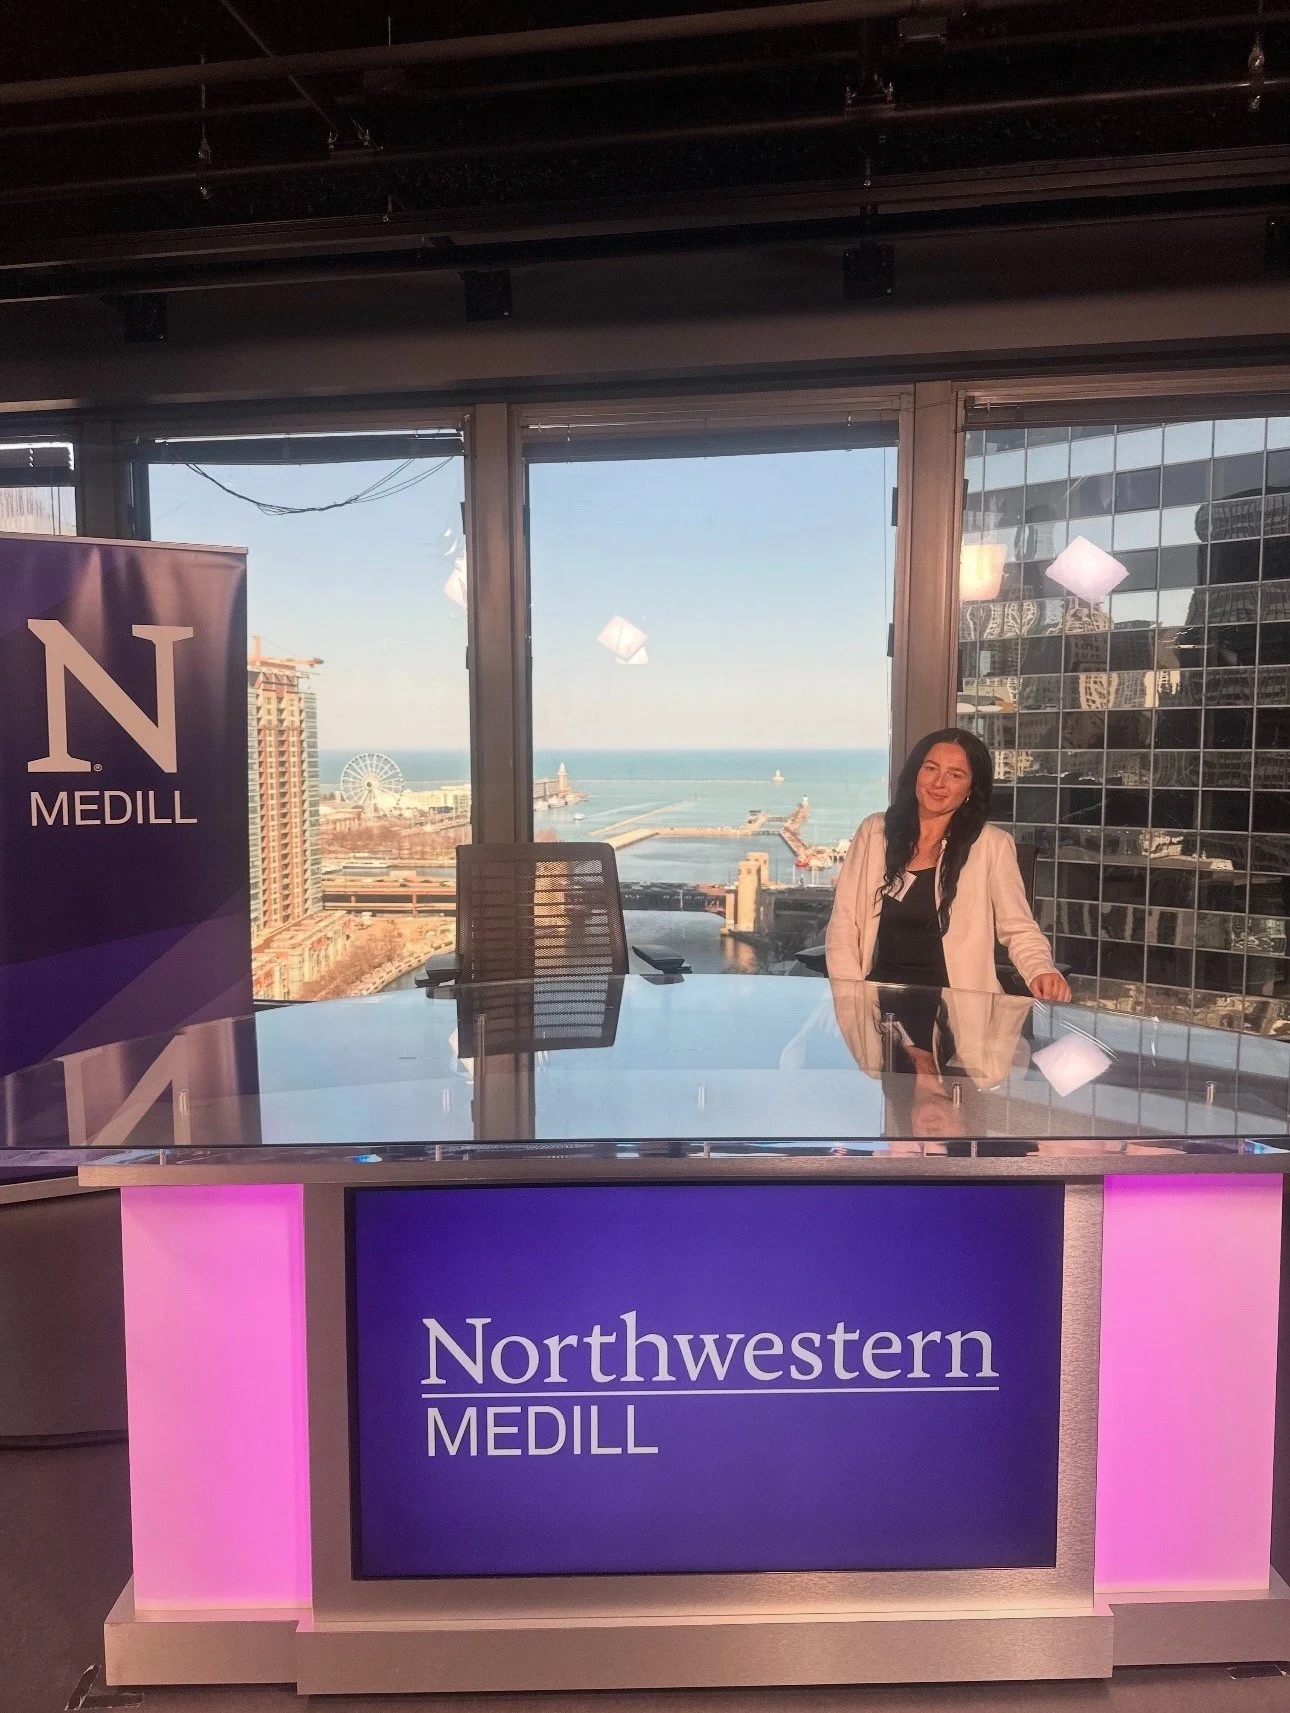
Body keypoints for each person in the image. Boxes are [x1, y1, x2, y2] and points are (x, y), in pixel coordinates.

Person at [825, 727, 1071, 1001]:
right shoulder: (874, 832)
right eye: (931, 768)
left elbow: (1019, 928)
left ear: (970, 789)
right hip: (878, 1001)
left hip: (961, 1007)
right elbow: (844, 924)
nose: (938, 783)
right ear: (916, 773)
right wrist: (850, 997)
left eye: (955, 775)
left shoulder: (992, 844)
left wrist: (1041, 970)